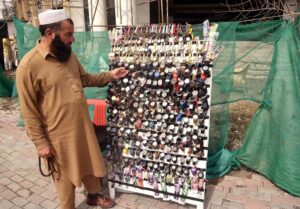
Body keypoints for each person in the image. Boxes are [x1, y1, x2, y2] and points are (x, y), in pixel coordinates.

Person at [16, 9, 128, 209]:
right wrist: (40, 143)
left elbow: (85, 79)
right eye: (68, 34)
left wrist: (110, 75)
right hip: (58, 136)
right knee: (64, 178)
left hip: (82, 127)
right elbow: (28, 109)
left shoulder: (68, 55)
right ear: (50, 33)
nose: (73, 39)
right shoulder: (28, 66)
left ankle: (94, 196)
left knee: (91, 164)